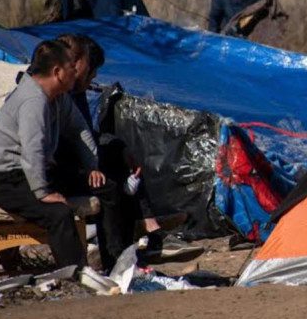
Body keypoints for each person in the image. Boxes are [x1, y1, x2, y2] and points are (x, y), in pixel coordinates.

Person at [56, 34, 202, 267]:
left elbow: (84, 133)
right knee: (109, 182)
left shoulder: (75, 93)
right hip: (61, 168)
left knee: (118, 156)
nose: (91, 76)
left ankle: (142, 230)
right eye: (89, 69)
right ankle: (126, 247)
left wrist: (120, 148)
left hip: (76, 160)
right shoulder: (54, 95)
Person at [0, 40, 99, 271]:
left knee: (104, 187)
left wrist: (93, 166)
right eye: (70, 67)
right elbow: (32, 149)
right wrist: (43, 192)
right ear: (57, 72)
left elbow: (79, 129)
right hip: (8, 180)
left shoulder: (57, 97)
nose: (75, 72)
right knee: (58, 213)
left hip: (31, 174)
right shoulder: (33, 100)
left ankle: (116, 256)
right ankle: (76, 274)